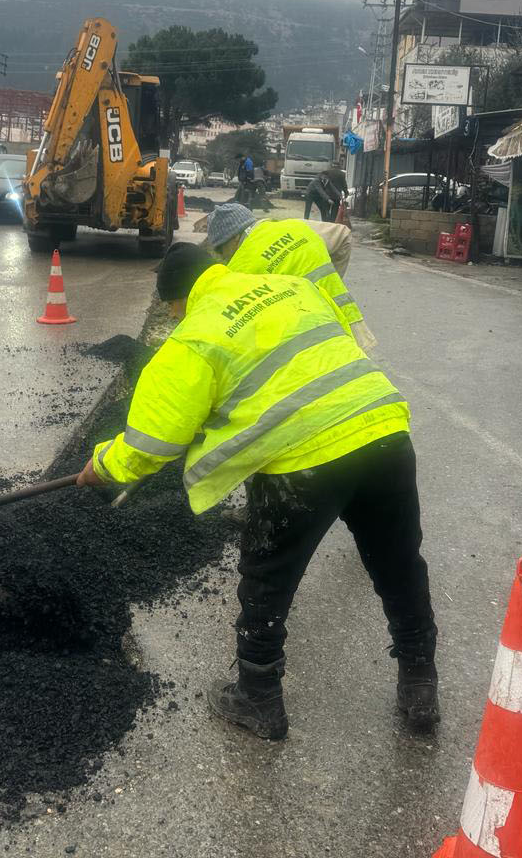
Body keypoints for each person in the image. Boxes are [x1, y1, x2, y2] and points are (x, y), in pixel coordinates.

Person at [76, 243, 438, 741]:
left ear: (175, 302)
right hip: (382, 430)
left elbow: (151, 445)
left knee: (267, 578)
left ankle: (258, 698)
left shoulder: (192, 339)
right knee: (399, 565)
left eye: (172, 308)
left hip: (303, 461)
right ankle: (420, 685)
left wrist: (101, 465)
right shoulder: (292, 287)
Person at [204, 200, 373, 349]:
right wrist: (331, 280)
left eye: (221, 249)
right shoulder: (294, 226)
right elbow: (343, 235)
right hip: (347, 322)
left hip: (304, 342)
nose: (223, 257)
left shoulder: (239, 268)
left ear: (233, 238)